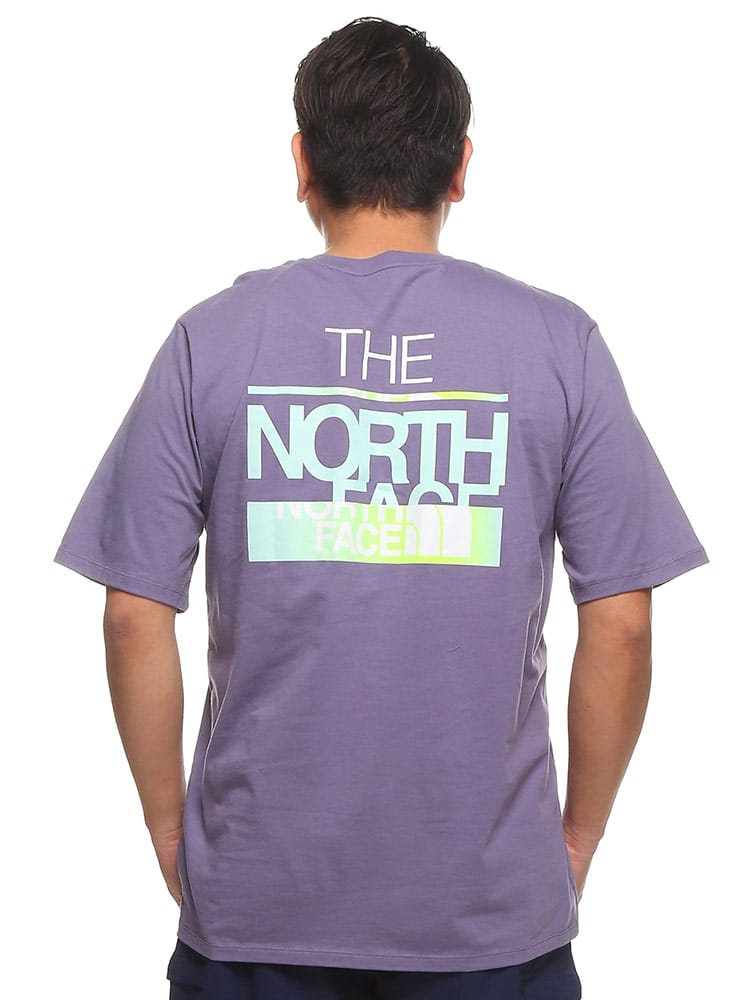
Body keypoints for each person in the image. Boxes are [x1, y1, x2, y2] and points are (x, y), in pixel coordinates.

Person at [52, 15, 710, 1000]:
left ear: (302, 164)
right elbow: (621, 620)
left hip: (257, 906)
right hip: (490, 917)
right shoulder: (557, 343)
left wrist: (164, 825)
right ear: (461, 168)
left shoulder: (211, 341)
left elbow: (131, 612)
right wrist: (574, 842)